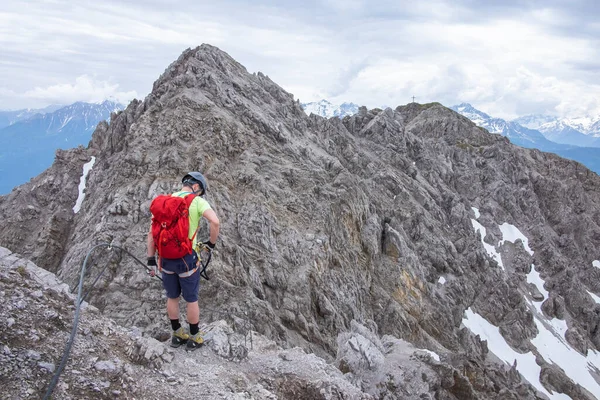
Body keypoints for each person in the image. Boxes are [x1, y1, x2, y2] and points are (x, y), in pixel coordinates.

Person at [147, 172, 220, 350]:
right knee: (191, 299)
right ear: (196, 187)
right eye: (200, 190)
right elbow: (215, 222)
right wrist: (211, 244)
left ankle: (177, 334)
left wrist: (151, 260)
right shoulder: (197, 201)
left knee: (172, 297)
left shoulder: (164, 201)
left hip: (165, 260)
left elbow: (151, 233)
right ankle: (194, 336)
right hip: (186, 259)